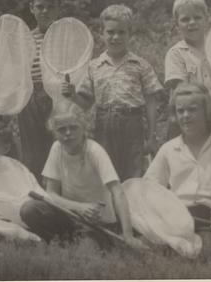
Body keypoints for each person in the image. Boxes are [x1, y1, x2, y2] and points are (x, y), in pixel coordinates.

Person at [20, 103, 145, 249]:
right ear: (54, 131)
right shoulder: (56, 148)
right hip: (69, 216)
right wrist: (80, 208)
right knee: (29, 210)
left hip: (98, 223)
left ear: (84, 127)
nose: (68, 133)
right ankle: (62, 243)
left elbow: (118, 192)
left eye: (73, 127)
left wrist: (128, 234)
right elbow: (51, 194)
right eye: (61, 129)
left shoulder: (95, 151)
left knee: (87, 249)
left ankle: (78, 243)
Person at [145, 82, 211, 247]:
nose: (185, 115)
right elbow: (151, 189)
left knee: (210, 248)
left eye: (192, 109)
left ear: (207, 111)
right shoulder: (168, 149)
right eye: (180, 111)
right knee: (150, 246)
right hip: (178, 219)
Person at [70, 4, 164, 180]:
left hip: (132, 124)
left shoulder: (140, 65)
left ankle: (132, 205)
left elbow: (151, 103)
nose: (116, 37)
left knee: (133, 172)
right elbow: (85, 102)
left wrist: (152, 136)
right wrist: (72, 95)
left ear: (130, 34)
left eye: (122, 32)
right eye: (111, 32)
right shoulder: (94, 66)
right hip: (104, 125)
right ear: (102, 33)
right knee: (106, 173)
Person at [164, 0, 211, 132]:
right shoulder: (176, 54)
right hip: (186, 122)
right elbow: (182, 93)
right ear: (177, 25)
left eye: (197, 17)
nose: (192, 23)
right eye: (185, 19)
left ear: (206, 19)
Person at [18, 0, 61, 179]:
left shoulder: (66, 36)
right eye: (40, 7)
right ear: (32, 9)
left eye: (50, 7)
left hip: (57, 98)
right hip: (31, 98)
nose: (45, 12)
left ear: (58, 9)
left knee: (58, 148)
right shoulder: (26, 38)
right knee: (33, 153)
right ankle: (36, 195)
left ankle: (60, 196)